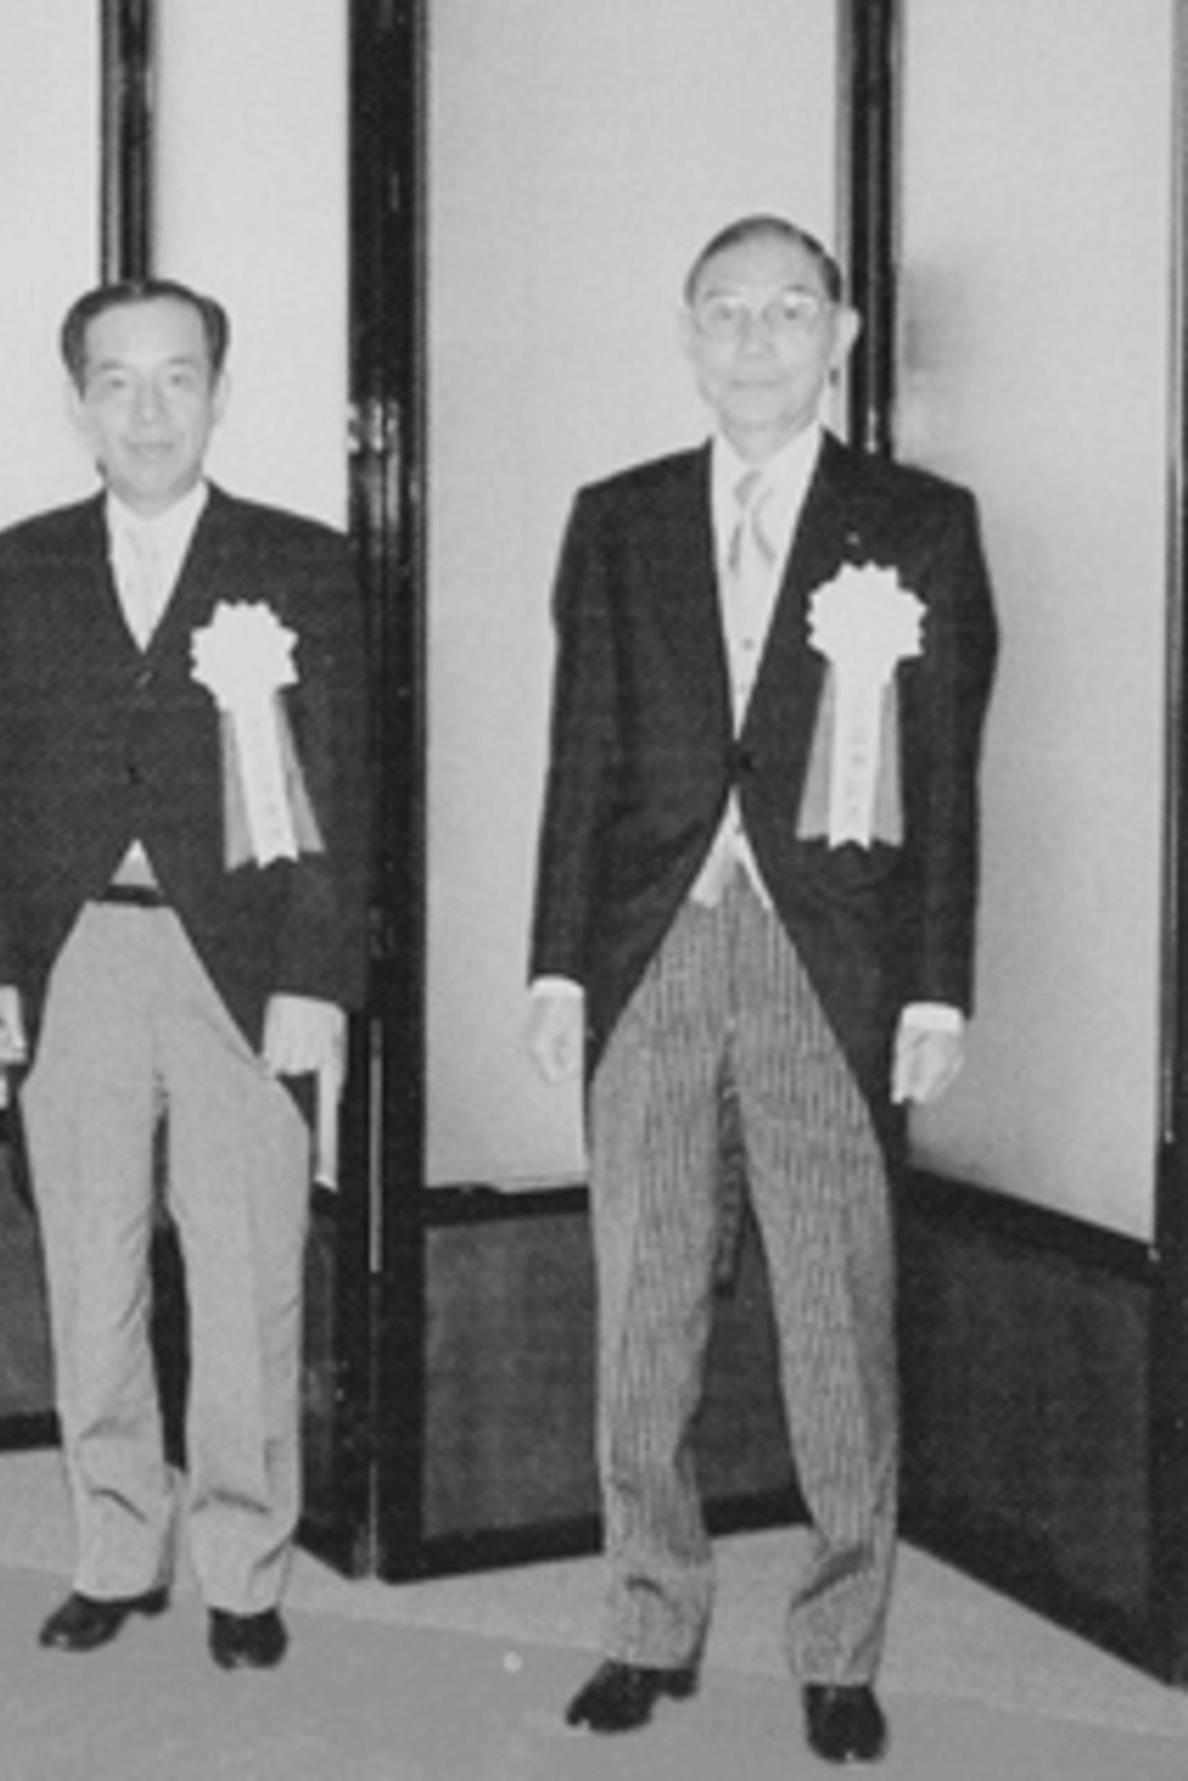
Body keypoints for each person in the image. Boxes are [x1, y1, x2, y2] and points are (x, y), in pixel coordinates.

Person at [526, 215, 997, 1766]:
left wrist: (936, 984)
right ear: (686, 333)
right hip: (652, 944)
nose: (753, 339)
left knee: (836, 1315)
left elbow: (945, 775)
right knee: (643, 1307)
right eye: (724, 311)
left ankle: (840, 1643)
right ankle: (645, 1623)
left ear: (841, 335)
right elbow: (577, 753)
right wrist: (552, 963)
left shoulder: (918, 522)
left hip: (832, 960)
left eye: (787, 310)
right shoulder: (618, 518)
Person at [0, 279, 369, 1671]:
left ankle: (245, 1566)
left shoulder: (303, 561)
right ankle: (116, 1545)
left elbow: (348, 786)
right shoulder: (17, 562)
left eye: (175, 379)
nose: (146, 409)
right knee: (93, 1267)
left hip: (244, 962)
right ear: (76, 403)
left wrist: (321, 974)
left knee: (250, 1272)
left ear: (220, 393)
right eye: (116, 382)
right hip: (75, 953)